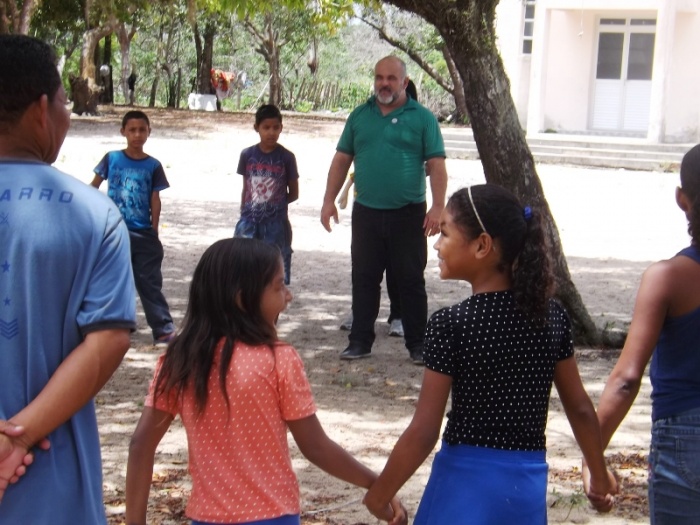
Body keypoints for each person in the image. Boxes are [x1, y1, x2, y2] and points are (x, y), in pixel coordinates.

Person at [363, 184, 617, 523]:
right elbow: (581, 408)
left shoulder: (451, 324)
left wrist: (379, 496)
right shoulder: (551, 317)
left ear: (482, 245)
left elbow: (424, 431)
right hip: (524, 489)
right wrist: (598, 475)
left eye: (445, 234)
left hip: (462, 488)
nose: (436, 244)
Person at [125, 238, 406, 525]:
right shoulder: (278, 360)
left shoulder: (179, 361)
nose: (288, 295)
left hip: (206, 518)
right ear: (242, 298)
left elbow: (140, 445)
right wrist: (376, 484)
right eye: (279, 286)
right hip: (273, 516)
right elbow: (315, 446)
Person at [0, 35, 136, 522]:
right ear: (42, 110)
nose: (67, 115)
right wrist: (18, 438)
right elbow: (108, 340)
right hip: (53, 488)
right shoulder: (95, 215)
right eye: (63, 102)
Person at [587, 144, 700, 524]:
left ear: (682, 199)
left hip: (685, 435)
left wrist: (593, 457)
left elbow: (626, 379)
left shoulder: (668, 278)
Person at [320, 56, 447, 365]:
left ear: (404, 82)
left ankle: (418, 345)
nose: (384, 83)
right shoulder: (359, 116)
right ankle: (359, 341)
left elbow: (436, 164)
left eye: (391, 78)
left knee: (410, 280)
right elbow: (341, 159)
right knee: (364, 277)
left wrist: (438, 207)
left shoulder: (423, 118)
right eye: (379, 77)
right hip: (367, 213)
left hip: (409, 213)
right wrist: (328, 200)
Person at [91, 110, 176, 346]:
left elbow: (155, 199)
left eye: (142, 130)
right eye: (132, 130)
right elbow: (93, 187)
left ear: (149, 132)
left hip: (143, 232)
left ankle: (163, 329)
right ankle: (117, 323)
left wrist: (154, 229)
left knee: (148, 281)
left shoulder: (153, 165)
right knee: (113, 279)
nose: (137, 135)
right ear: (123, 132)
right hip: (114, 231)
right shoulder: (111, 159)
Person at [234, 104, 298, 285]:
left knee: (274, 273)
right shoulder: (247, 155)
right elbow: (246, 188)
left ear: (281, 128)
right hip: (248, 222)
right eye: (266, 127)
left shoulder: (287, 158)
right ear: (257, 128)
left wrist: (274, 205)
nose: (271, 132)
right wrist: (245, 212)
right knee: (243, 269)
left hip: (276, 225)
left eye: (275, 127)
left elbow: (294, 193)